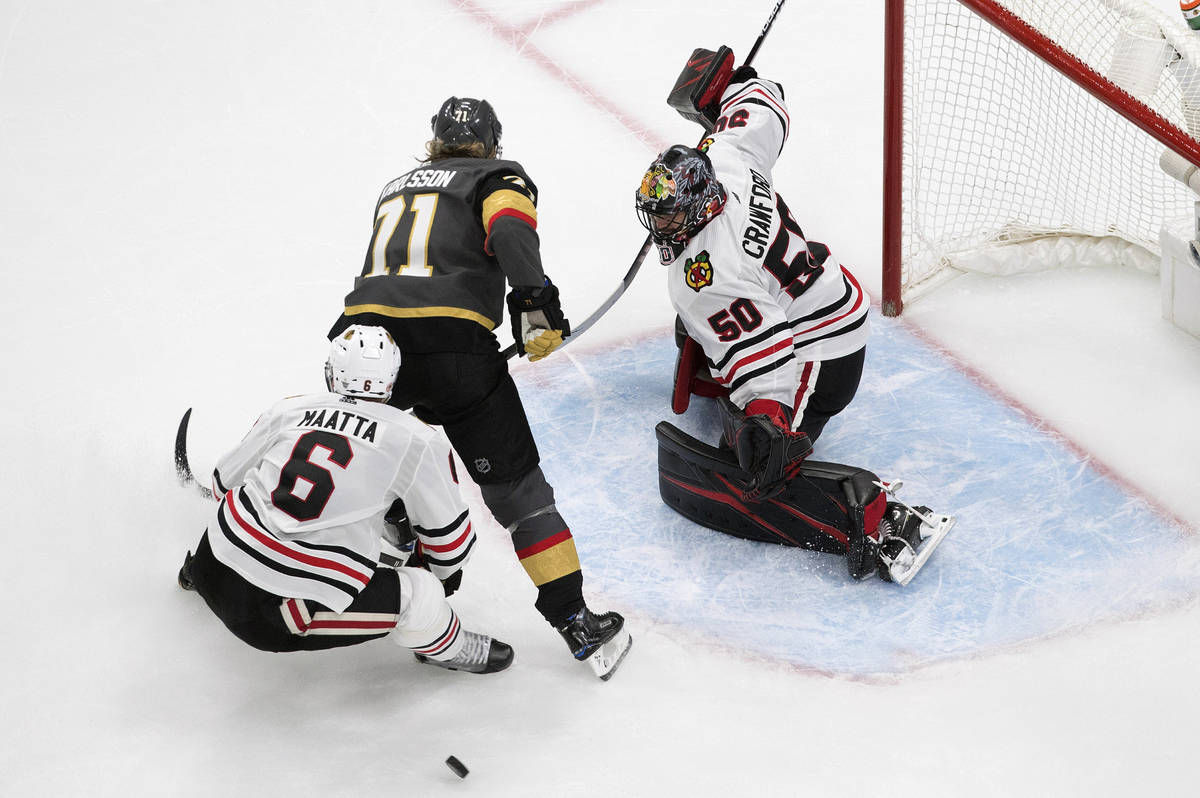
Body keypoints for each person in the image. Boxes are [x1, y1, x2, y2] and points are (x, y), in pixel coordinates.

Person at [325, 97, 631, 679]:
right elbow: (510, 228)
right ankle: (577, 623)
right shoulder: (498, 175)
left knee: (361, 474)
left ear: (435, 139)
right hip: (452, 350)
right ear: (491, 140)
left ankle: (264, 552)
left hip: (359, 346)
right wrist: (535, 302)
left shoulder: (396, 187)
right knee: (520, 496)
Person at [637, 50, 953, 585]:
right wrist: (735, 87)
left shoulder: (704, 274)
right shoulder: (725, 155)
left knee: (758, 463)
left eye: (669, 213)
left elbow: (767, 349)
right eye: (655, 207)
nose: (658, 221)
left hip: (819, 354)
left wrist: (765, 415)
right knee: (704, 329)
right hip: (828, 298)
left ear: (700, 208)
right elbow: (763, 106)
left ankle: (871, 519)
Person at [177, 325, 511, 673]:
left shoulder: (289, 409)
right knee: (423, 591)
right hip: (272, 615)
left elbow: (221, 485)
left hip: (209, 566)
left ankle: (191, 576)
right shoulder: (416, 440)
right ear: (393, 379)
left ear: (331, 372)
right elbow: (450, 546)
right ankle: (447, 646)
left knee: (254, 511)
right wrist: (438, 574)